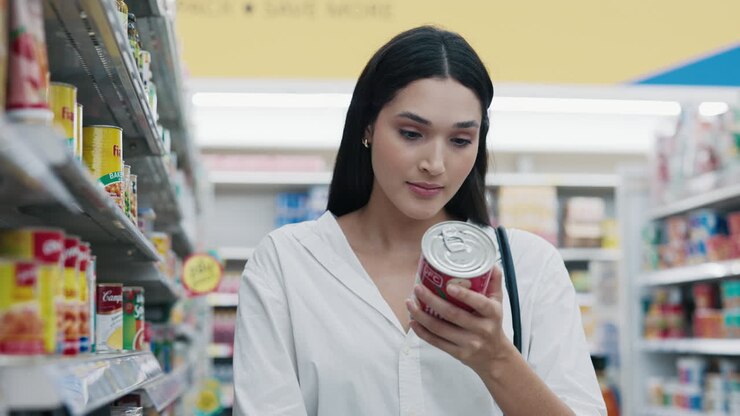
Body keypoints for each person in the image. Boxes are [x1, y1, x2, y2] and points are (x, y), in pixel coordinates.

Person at [233, 26, 606, 416]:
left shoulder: (531, 267)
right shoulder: (288, 263)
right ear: (368, 127)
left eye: (460, 140)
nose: (435, 164)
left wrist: (496, 359)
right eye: (411, 133)